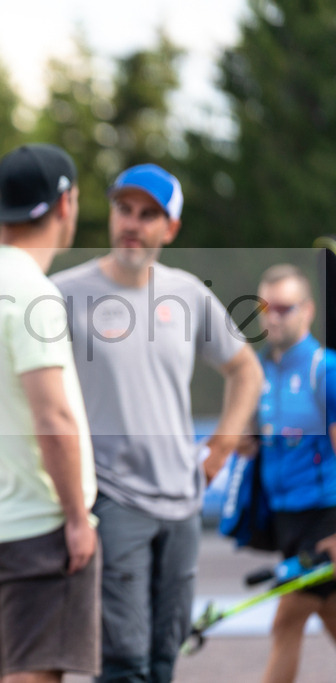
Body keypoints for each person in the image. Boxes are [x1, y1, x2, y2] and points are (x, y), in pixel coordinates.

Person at [51, 163, 264, 683]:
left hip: (183, 501)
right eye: (125, 209)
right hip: (113, 500)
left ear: (170, 229)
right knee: (124, 664)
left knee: (164, 660)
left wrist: (219, 447)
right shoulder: (60, 293)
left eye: (149, 215)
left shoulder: (187, 293)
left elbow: (246, 370)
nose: (133, 223)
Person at [0, 143, 101, 683]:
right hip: (41, 522)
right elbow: (53, 416)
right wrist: (78, 518)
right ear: (65, 203)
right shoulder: (32, 291)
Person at [252, 264, 336, 683]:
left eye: (284, 307)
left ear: (308, 310)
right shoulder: (260, 372)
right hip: (286, 520)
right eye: (265, 307)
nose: (273, 316)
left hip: (323, 519)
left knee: (285, 623)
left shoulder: (327, 371)